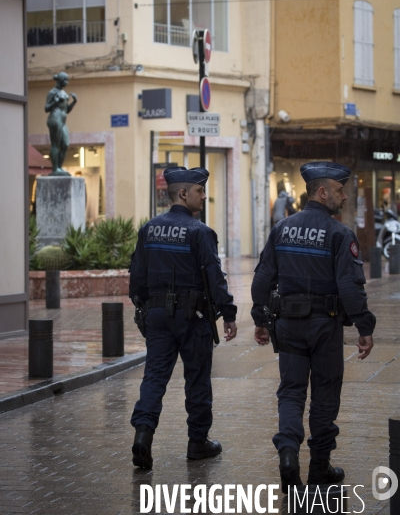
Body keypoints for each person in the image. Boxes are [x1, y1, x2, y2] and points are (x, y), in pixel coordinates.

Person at [251, 161, 376, 492]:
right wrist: (364, 326)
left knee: (291, 392)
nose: (345, 197)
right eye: (339, 190)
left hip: (288, 325)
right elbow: (350, 288)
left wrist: (260, 319)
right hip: (325, 326)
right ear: (322, 192)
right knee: (324, 393)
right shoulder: (339, 234)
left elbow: (262, 279)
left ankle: (289, 455)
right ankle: (319, 467)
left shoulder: (282, 228)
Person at [129, 166, 237, 469]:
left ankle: (143, 434)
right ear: (182, 193)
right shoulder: (200, 232)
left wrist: (145, 307)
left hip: (158, 315)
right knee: (198, 380)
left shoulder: (149, 229)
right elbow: (214, 278)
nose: (204, 196)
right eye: (200, 191)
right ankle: (197, 442)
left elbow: (136, 278)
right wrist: (228, 313)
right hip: (193, 316)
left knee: (154, 377)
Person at [44, 72, 77, 176]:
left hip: (63, 121)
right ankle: (55, 169)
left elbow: (66, 110)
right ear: (60, 80)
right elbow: (46, 108)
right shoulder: (52, 92)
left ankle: (59, 167)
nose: (67, 82)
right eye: (65, 80)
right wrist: (55, 102)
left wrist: (74, 101)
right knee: (55, 144)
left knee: (65, 144)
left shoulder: (64, 93)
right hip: (55, 119)